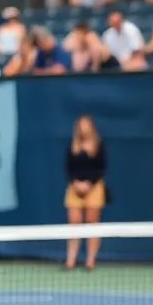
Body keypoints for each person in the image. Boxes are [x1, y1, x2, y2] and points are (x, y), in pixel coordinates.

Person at [64, 115, 106, 270]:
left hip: (94, 188)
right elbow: (68, 167)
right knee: (73, 224)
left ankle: (90, 260)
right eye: (81, 125)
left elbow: (101, 168)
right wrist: (76, 183)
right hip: (74, 188)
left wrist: (89, 183)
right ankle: (70, 260)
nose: (83, 128)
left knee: (92, 224)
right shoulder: (72, 145)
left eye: (86, 125)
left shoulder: (98, 145)